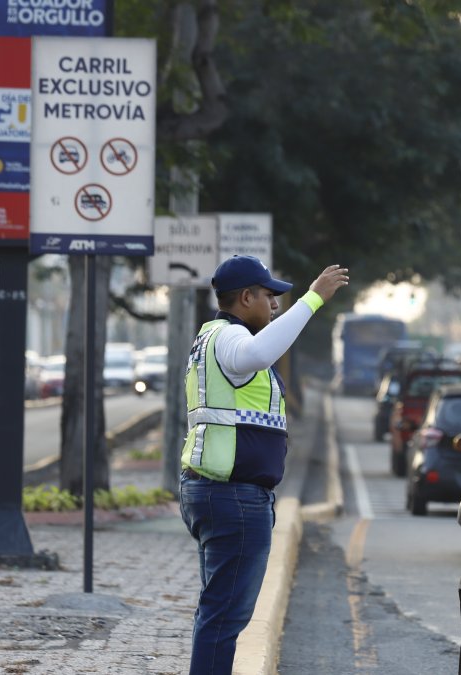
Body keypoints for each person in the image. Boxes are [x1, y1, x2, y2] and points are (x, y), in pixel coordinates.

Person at [179, 255, 348, 674]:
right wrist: (313, 300)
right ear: (246, 297)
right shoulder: (230, 340)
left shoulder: (212, 338)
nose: (276, 305)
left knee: (217, 612)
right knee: (224, 617)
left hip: (216, 491)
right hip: (232, 497)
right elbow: (258, 352)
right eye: (270, 296)